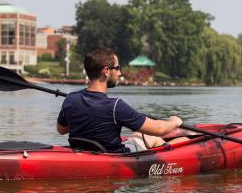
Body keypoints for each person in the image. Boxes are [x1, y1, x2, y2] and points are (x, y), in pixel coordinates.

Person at [57, 47, 189, 153]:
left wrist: (85, 117)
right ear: (106, 71)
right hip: (116, 156)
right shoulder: (115, 106)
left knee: (140, 134)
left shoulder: (70, 99)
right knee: (176, 138)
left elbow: (61, 130)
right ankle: (169, 158)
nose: (119, 73)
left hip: (85, 153)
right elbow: (160, 129)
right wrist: (174, 121)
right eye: (117, 68)